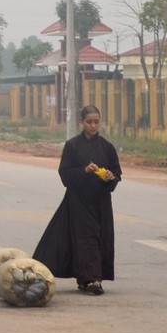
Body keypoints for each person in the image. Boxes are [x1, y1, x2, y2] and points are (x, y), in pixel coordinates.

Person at [33, 104, 121, 296]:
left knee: (100, 240)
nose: (93, 126)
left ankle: (87, 278)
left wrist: (109, 177)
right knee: (85, 240)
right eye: (89, 122)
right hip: (78, 202)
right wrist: (84, 171)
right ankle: (92, 279)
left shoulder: (107, 147)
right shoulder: (72, 145)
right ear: (82, 122)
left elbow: (116, 173)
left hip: (101, 203)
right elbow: (64, 174)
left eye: (96, 122)